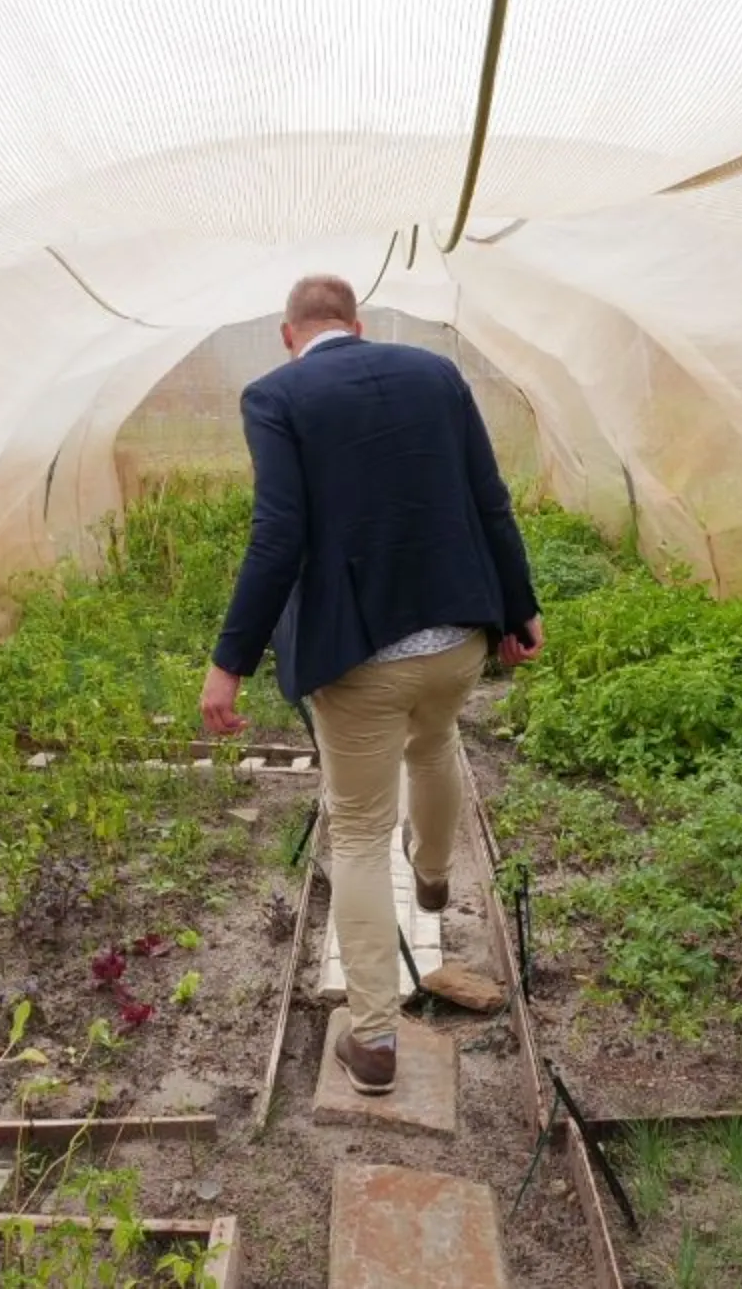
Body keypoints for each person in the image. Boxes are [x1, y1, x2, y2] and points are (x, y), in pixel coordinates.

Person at [200, 274, 543, 1095]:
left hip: (360, 659)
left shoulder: (276, 396)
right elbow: (489, 500)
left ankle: (377, 1040)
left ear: (290, 334)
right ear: (356, 324)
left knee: (355, 831)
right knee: (437, 743)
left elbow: (278, 534)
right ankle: (432, 875)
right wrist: (520, 608)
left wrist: (230, 661)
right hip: (458, 636)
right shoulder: (436, 375)